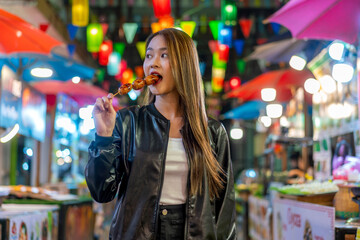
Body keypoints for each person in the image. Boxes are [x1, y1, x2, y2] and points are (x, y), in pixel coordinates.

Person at [85, 28, 236, 240]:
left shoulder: (213, 132)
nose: (152, 63)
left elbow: (224, 211)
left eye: (164, 55)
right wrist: (103, 136)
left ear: (184, 65)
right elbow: (102, 192)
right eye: (149, 55)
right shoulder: (129, 122)